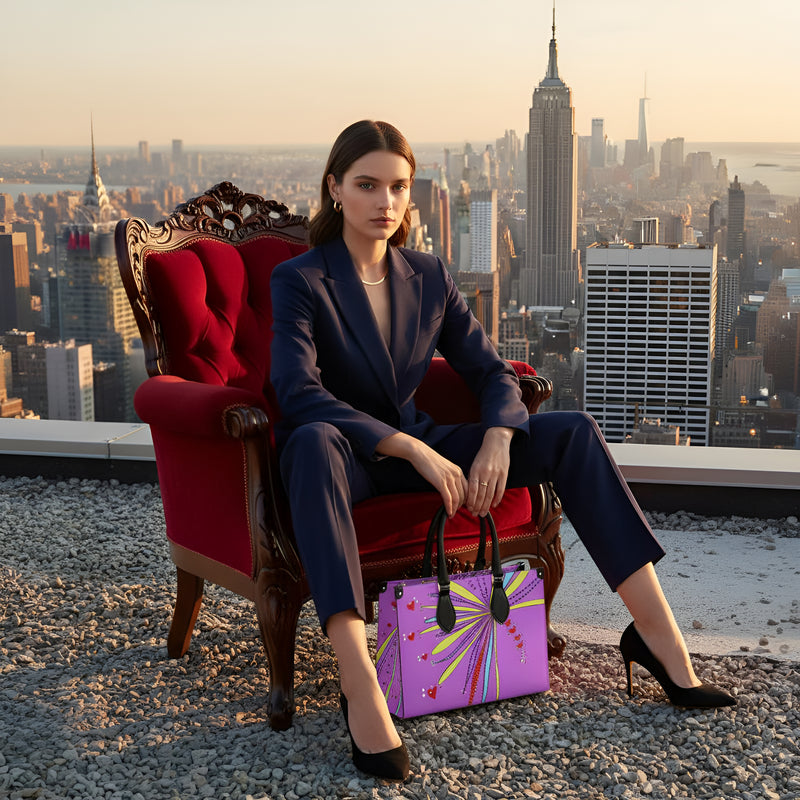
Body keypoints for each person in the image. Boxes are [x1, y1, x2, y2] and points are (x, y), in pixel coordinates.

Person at [270, 120, 735, 782]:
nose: (385, 202)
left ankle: (659, 640)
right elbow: (297, 391)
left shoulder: (427, 274)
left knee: (572, 431)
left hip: (426, 442)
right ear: (335, 189)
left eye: (398, 187)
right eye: (367, 185)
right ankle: (360, 684)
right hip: (344, 458)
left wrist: (495, 437)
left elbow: (491, 372)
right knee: (312, 443)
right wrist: (411, 449)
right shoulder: (301, 279)